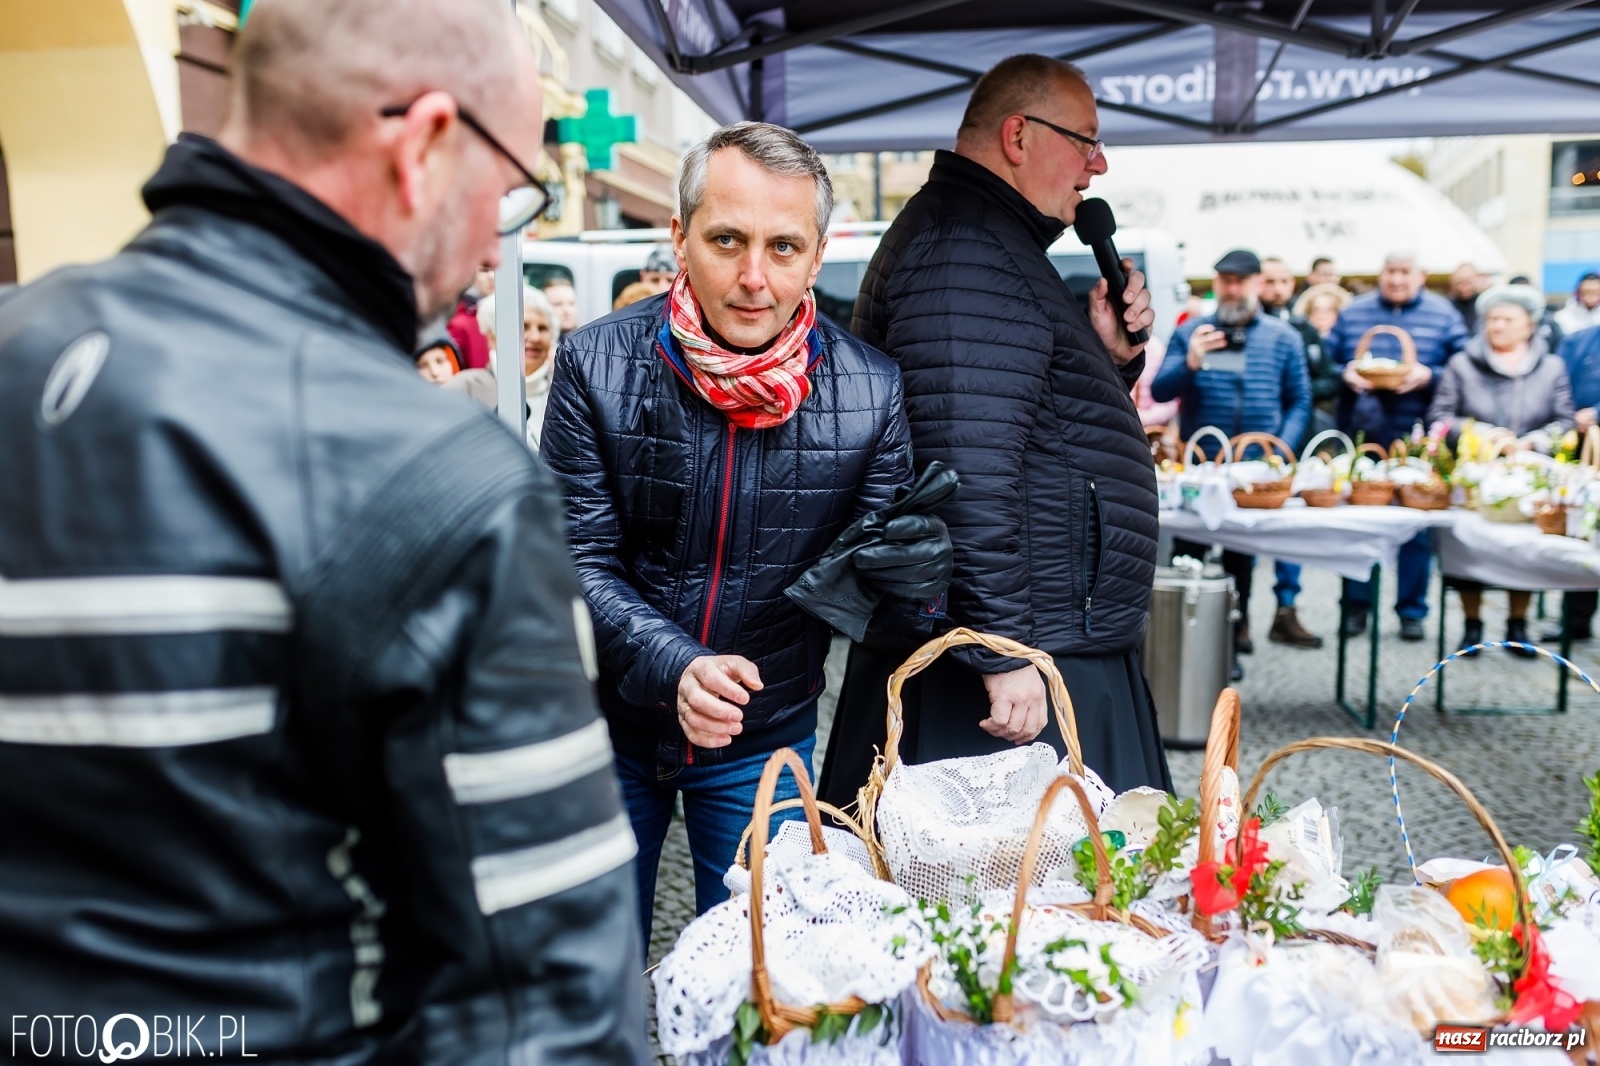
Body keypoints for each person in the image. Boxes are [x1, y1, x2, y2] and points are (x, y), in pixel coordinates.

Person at [0, 0, 644, 1060]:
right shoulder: (438, 477)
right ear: (426, 141)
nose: (495, 242)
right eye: (511, 189)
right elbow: (549, 1009)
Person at [541, 122, 933, 943]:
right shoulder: (596, 361)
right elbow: (571, 557)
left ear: (817, 256)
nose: (755, 278)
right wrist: (676, 664)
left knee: (755, 986)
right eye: (727, 240)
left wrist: (912, 584)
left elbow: (877, 608)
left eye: (784, 248)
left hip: (764, 733)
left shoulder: (872, 392)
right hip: (606, 725)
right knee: (586, 970)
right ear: (679, 237)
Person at [829, 53, 1172, 803]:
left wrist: (1110, 361)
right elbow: (962, 470)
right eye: (1085, 140)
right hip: (1008, 663)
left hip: (1040, 637)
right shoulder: (966, 253)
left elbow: (1035, 433)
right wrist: (1002, 649)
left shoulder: (989, 245)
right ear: (1019, 135)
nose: (1098, 164)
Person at [1156, 249, 1316, 668]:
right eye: (1224, 280)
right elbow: (1158, 390)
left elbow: (1300, 400)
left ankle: (1233, 633)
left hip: (1256, 470)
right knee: (1188, 552)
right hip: (1200, 466)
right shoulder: (1191, 331)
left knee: (1239, 556)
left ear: (1257, 285)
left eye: (1240, 281)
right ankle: (1184, 635)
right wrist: (1189, 362)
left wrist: (1280, 452)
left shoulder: (1284, 337)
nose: (1231, 288)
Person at [1328, 250, 1469, 641]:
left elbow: (1462, 364)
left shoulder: (1443, 313)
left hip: (1418, 432)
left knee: (1417, 524)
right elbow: (1330, 359)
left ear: (1421, 275)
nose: (1397, 279)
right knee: (1358, 522)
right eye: (1390, 271)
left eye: (1405, 272)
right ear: (1381, 273)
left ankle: (1411, 610)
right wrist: (1348, 373)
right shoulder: (1355, 311)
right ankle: (1356, 607)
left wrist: (1430, 374)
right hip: (1361, 430)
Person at [1428, 284, 1574, 657]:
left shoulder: (1552, 367)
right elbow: (1441, 417)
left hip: (1528, 474)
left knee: (1521, 551)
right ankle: (1471, 625)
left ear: (1529, 326)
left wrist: (1533, 443)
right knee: (1467, 548)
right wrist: (1483, 435)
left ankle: (1517, 625)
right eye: (1492, 319)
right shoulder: (1462, 364)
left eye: (1508, 319)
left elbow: (1566, 421)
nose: (1498, 326)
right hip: (1476, 474)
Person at [445, 283, 559, 445]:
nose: (535, 337)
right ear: (492, 338)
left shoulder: (565, 388)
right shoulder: (465, 388)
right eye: (523, 327)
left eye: (542, 328)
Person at [1550, 321, 1600, 641]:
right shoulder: (1580, 340)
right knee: (1585, 529)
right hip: (1587, 450)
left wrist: (1597, 411)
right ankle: (1575, 620)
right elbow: (1560, 387)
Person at [448, 262, 494, 369]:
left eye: (495, 269)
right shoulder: (460, 324)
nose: (492, 276)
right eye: (484, 270)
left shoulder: (514, 316)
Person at [1555, 272, 1600, 337]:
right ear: (1579, 292)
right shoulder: (1561, 318)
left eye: (1594, 292)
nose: (1591, 296)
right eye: (1587, 291)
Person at [1449, 262, 1486, 333]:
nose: (1464, 287)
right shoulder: (1446, 304)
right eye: (1460, 282)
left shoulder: (1484, 303)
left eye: (1468, 282)